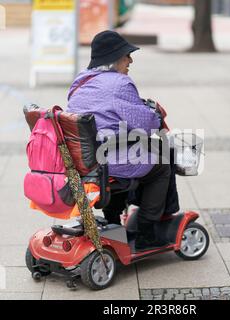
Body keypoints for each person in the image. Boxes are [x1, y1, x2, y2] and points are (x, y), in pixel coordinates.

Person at [67, 30, 171, 251]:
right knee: (161, 163)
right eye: (127, 55)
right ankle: (146, 232)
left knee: (122, 158)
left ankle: (114, 223)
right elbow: (146, 125)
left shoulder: (79, 82)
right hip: (110, 160)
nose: (130, 60)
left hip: (84, 162)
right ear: (114, 58)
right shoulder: (120, 84)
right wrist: (157, 115)